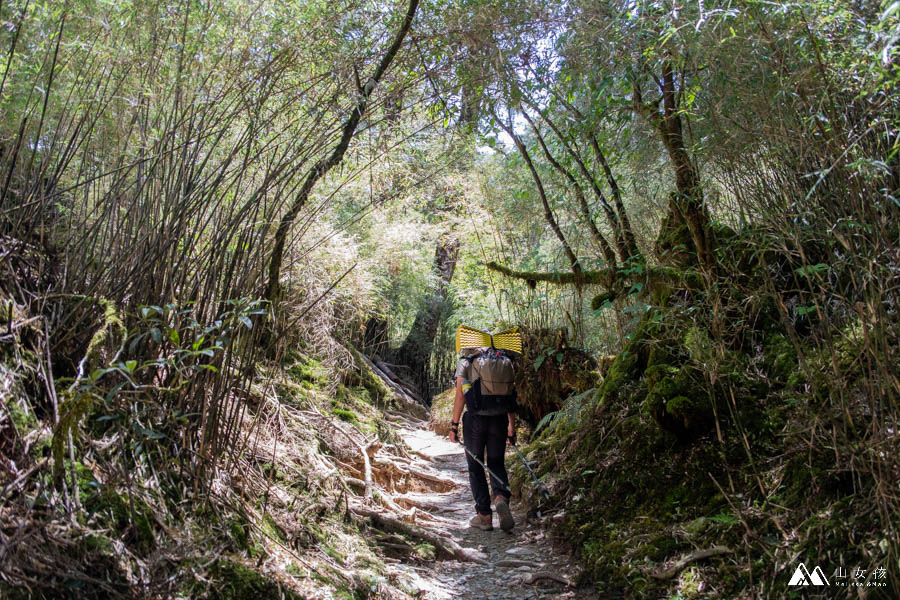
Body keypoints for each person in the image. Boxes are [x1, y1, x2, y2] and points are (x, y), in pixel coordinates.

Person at [448, 348, 517, 532]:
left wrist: (454, 425)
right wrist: (512, 426)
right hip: (500, 418)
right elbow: (510, 396)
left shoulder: (467, 362)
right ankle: (501, 497)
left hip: (475, 420)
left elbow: (461, 395)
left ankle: (484, 516)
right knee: (496, 462)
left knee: (475, 464)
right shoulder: (503, 361)